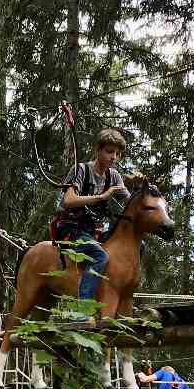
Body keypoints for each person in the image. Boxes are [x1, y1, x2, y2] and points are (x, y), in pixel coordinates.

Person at [55, 128, 131, 316]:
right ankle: (83, 311)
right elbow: (67, 201)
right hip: (70, 227)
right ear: (98, 150)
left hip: (92, 231)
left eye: (117, 153)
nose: (114, 157)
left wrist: (140, 186)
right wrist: (101, 197)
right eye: (109, 151)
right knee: (100, 256)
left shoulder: (114, 176)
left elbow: (131, 203)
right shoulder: (81, 170)